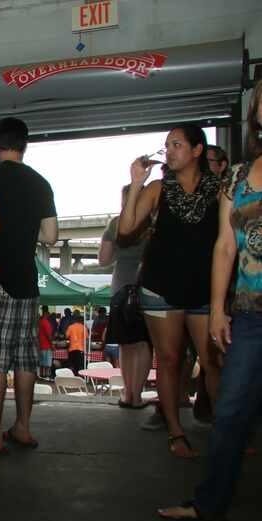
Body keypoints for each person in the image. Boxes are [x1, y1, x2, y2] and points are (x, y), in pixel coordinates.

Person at [158, 79, 262, 521]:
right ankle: (209, 503)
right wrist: (219, 307)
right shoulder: (237, 176)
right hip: (250, 312)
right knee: (231, 409)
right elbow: (225, 245)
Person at [118, 123, 221, 458]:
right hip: (160, 287)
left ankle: (226, 430)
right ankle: (176, 432)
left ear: (197, 150)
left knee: (212, 362)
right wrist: (136, 184)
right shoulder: (159, 188)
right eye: (167, 145)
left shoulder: (219, 189)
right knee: (170, 360)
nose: (170, 150)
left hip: (204, 288)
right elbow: (126, 230)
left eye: (177, 144)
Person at [0, 117, 57, 455]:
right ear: (25, 145)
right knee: (25, 358)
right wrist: (25, 231)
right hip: (27, 282)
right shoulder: (41, 183)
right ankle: (22, 427)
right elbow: (50, 236)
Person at [99, 185, 152, 408]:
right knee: (143, 343)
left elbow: (104, 259)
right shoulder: (153, 223)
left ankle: (128, 393)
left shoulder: (116, 223)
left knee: (125, 343)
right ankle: (138, 395)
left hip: (120, 285)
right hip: (149, 285)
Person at [38, 306, 54, 379]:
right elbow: (49, 335)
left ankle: (41, 375)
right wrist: (52, 344)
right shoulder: (46, 322)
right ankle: (47, 375)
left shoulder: (39, 321)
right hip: (46, 345)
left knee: (41, 362)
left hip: (40, 344)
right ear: (46, 313)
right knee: (47, 362)